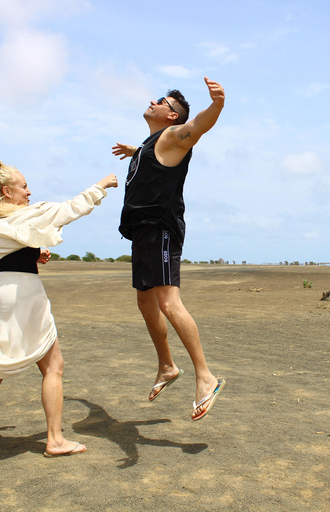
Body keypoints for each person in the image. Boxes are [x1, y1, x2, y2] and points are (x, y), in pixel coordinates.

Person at [0, 160, 118, 456]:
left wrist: (29, 257)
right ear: (6, 191)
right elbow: (69, 209)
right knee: (53, 365)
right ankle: (55, 439)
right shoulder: (26, 215)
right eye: (23, 186)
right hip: (21, 291)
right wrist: (101, 185)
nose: (28, 192)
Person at [111, 77, 226, 421]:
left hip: (161, 230)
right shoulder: (151, 144)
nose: (154, 101)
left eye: (162, 101)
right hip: (142, 233)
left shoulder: (175, 136)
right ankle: (166, 366)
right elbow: (152, 155)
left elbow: (197, 127)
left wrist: (217, 105)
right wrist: (136, 151)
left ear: (172, 117)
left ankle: (205, 377)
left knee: (168, 302)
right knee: (145, 300)